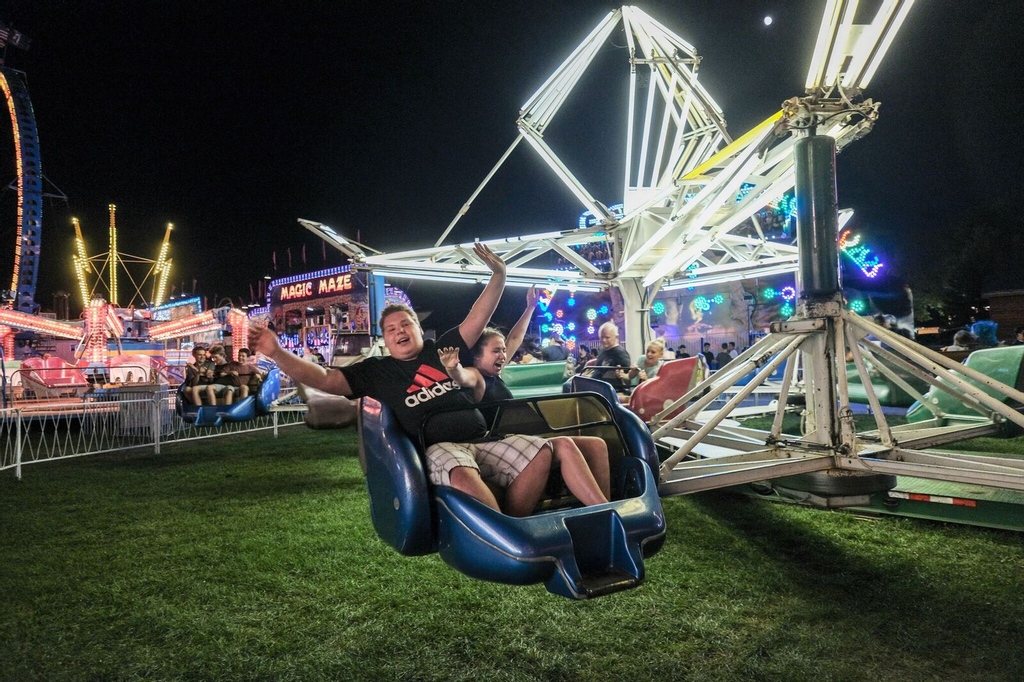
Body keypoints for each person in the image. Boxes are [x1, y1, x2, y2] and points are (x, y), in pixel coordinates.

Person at [250, 243, 554, 516]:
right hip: (441, 450)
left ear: (419, 329)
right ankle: (505, 536)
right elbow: (326, 379)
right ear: (386, 339)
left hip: (481, 438)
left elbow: (478, 316)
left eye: (406, 324)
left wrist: (499, 275)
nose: (399, 332)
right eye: (391, 330)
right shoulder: (377, 371)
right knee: (461, 473)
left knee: (543, 451)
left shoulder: (441, 350)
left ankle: (515, 529)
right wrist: (277, 352)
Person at [438, 287, 610, 507]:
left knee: (597, 445)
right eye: (496, 351)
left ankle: (606, 504)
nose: (503, 355)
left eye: (503, 351)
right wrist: (453, 368)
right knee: (565, 445)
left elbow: (516, 338)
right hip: (501, 443)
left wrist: (530, 307)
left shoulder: (495, 372)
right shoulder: (477, 376)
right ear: (478, 356)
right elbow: (463, 377)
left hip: (522, 437)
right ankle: (603, 509)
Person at [585, 322, 631, 394]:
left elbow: (627, 379)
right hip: (597, 386)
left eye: (607, 337)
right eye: (602, 337)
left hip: (610, 389)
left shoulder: (621, 353)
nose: (604, 340)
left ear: (616, 337)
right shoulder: (602, 351)